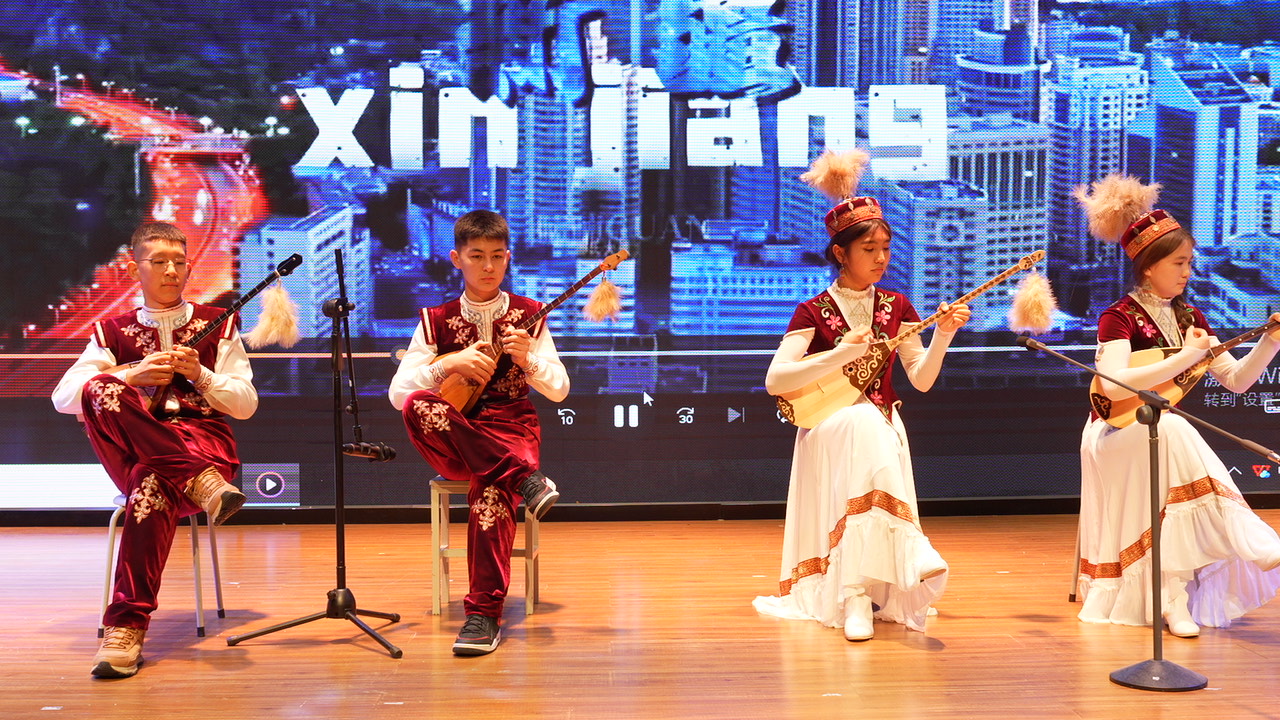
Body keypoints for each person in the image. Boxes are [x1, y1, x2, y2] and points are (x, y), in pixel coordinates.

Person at [753, 150, 969, 641]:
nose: (881, 259)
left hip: (877, 426)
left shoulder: (897, 306)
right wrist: (839, 355)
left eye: (885, 248)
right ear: (840, 253)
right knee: (865, 422)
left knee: (872, 423)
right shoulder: (813, 311)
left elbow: (920, 379)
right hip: (829, 425)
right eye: (869, 249)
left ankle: (861, 593)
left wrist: (943, 336)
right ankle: (869, 583)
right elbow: (776, 380)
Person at [1073, 174, 1280, 637]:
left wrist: (1269, 342)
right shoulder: (1119, 317)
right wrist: (1186, 357)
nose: (1188, 271)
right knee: (1173, 427)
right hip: (1114, 432)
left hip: (1160, 434)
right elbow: (1113, 387)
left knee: (1170, 429)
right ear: (1149, 267)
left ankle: (1174, 596)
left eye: (1190, 262)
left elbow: (1236, 381)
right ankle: (1242, 541)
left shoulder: (1191, 317)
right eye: (1179, 262)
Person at [51, 221, 257, 678]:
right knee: (100, 387)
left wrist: (201, 375)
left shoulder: (216, 324)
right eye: (158, 261)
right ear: (134, 269)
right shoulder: (111, 332)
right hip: (180, 469)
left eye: (179, 262)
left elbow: (246, 405)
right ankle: (196, 480)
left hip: (204, 445)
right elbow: (63, 398)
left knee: (149, 481)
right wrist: (132, 375)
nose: (170, 271)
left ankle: (125, 628)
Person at [389, 209, 568, 656]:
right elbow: (397, 393)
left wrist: (528, 360)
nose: (488, 266)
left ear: (508, 258)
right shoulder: (436, 319)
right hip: (456, 436)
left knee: (490, 489)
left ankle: (484, 616)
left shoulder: (530, 315)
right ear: (457, 258)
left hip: (512, 428)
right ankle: (523, 479)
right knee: (416, 404)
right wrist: (447, 364)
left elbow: (559, 389)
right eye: (476, 256)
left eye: (497, 256)